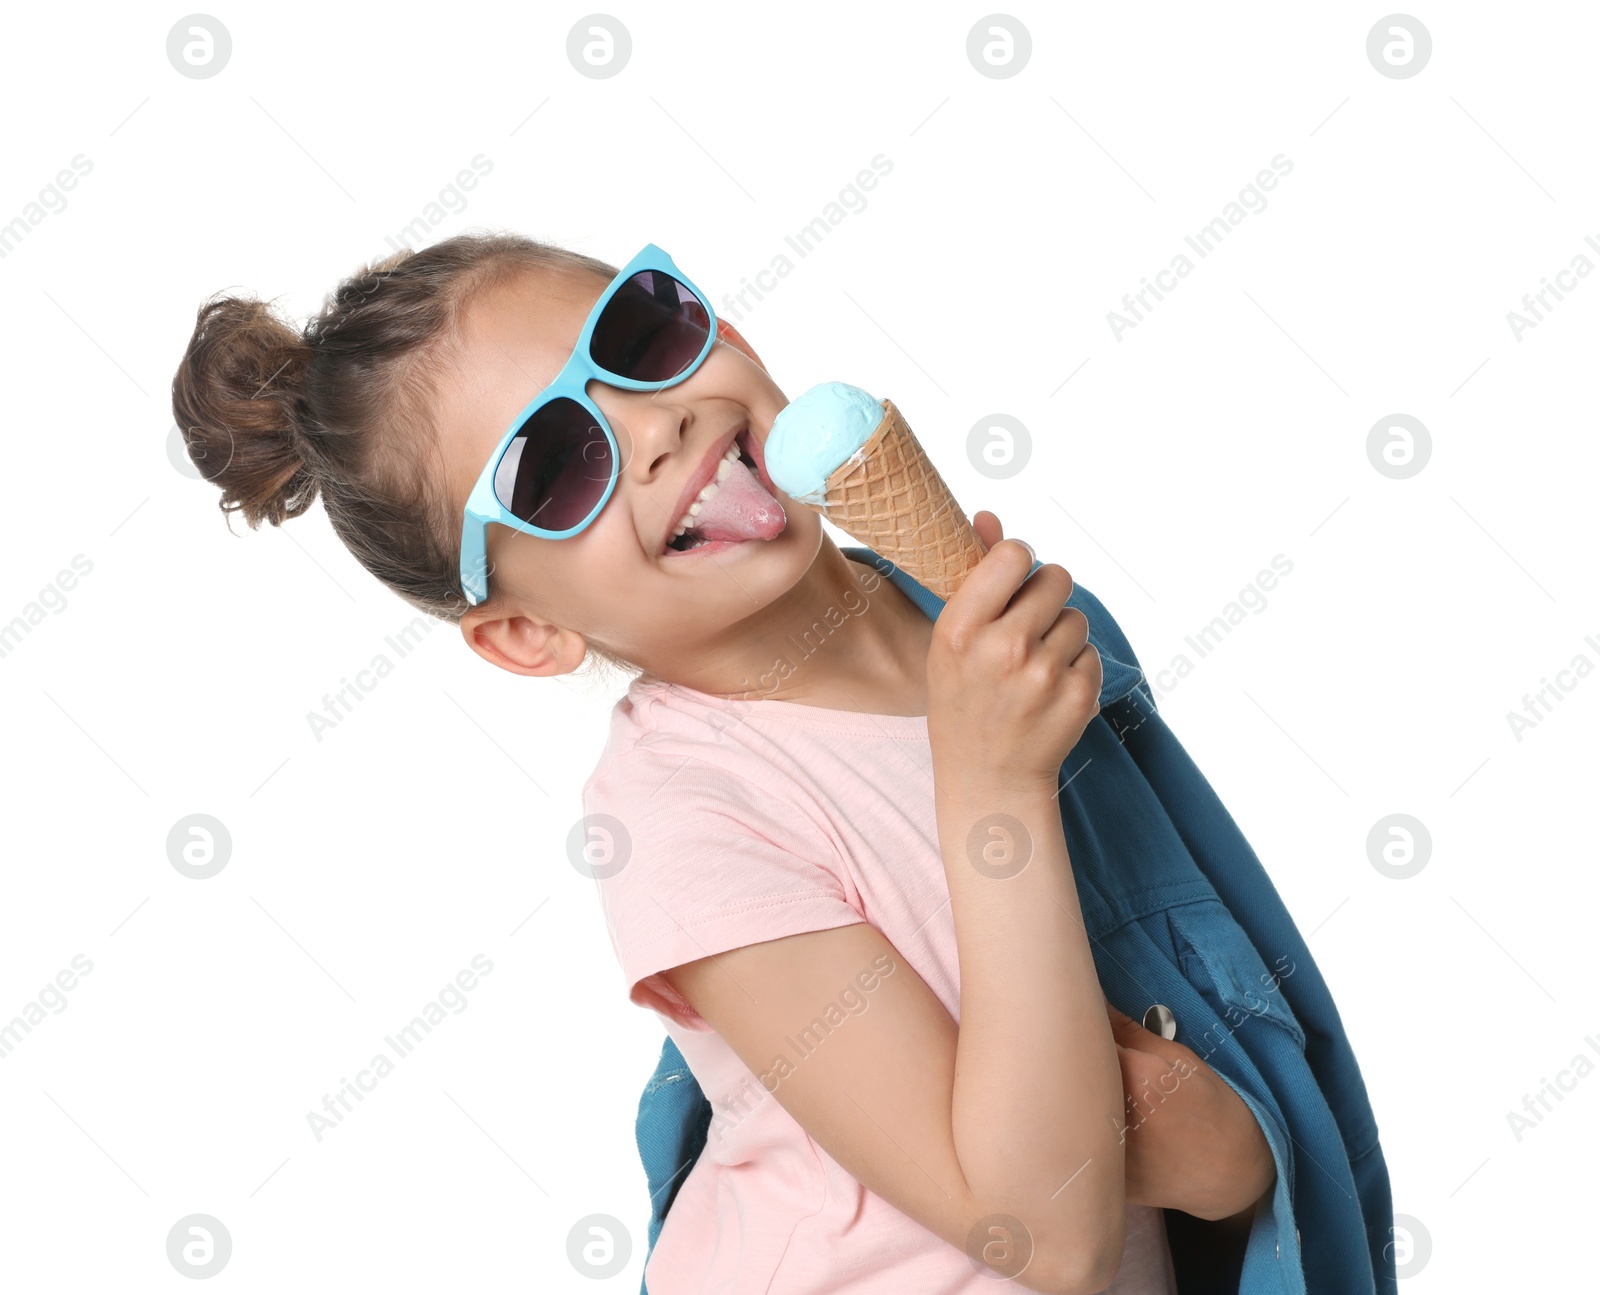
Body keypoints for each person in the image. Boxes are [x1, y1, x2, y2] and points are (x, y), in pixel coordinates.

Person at [171, 233, 1391, 1295]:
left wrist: (1229, 1141)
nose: (658, 425)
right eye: (552, 466)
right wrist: (992, 787)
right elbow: (1049, 1227)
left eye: (641, 337)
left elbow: (1213, 1046)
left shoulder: (979, 632)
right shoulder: (684, 815)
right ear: (527, 632)